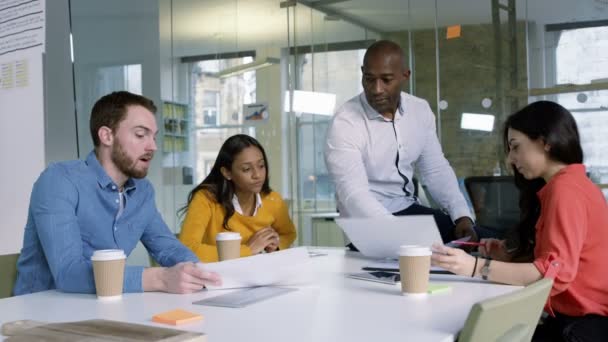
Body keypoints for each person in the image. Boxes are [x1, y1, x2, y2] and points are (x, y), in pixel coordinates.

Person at [431, 101, 608, 341]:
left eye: (516, 147)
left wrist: (474, 268)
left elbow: (554, 275)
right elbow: (562, 261)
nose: (511, 160)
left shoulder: (565, 190)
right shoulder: (573, 184)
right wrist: (511, 258)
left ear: (545, 142)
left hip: (582, 328)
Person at [14, 91, 221, 296]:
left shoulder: (143, 191)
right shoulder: (59, 181)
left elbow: (168, 248)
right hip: (40, 316)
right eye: (141, 135)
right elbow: (68, 273)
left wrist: (204, 273)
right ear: (107, 136)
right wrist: (161, 278)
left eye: (154, 136)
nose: (153, 146)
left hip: (105, 309)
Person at [325, 39, 476, 243]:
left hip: (407, 209)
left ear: (405, 76)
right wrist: (397, 233)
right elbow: (353, 194)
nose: (377, 89)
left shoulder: (419, 110)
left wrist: (462, 215)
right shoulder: (345, 122)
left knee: (477, 238)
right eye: (369, 79)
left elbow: (435, 171)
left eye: (386, 80)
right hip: (366, 222)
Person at [179, 134, 297, 262]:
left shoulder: (272, 199)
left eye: (261, 166)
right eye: (246, 169)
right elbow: (186, 249)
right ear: (227, 173)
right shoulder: (205, 199)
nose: (257, 175)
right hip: (216, 277)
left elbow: (288, 234)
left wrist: (276, 245)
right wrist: (248, 250)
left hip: (258, 274)